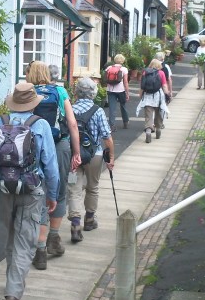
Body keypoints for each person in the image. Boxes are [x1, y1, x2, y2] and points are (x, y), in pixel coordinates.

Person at [0, 82, 59, 300]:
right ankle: (13, 293)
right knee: (25, 240)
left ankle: (13, 283)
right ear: (33, 103)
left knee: (12, 237)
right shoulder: (40, 125)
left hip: (3, 188)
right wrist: (53, 194)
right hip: (32, 189)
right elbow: (50, 163)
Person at [25, 61, 80, 271]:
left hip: (34, 147)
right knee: (59, 192)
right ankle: (54, 240)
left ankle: (39, 251)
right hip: (59, 145)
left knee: (39, 192)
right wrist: (76, 152)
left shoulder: (28, 92)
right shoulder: (59, 91)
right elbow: (72, 123)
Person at [67, 77, 114, 242]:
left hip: (74, 154)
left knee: (74, 188)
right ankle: (89, 219)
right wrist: (111, 158)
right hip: (94, 155)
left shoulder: (70, 109)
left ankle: (75, 223)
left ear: (77, 92)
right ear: (93, 92)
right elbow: (107, 137)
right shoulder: (98, 110)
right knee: (93, 187)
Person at [136, 59, 170, 143]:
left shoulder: (145, 73)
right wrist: (167, 94)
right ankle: (158, 129)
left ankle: (148, 130)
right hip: (158, 96)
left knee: (148, 115)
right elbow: (164, 86)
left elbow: (142, 86)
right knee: (158, 113)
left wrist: (140, 95)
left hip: (147, 96)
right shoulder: (161, 73)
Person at [104, 54, 130, 129]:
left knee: (112, 108)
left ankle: (111, 125)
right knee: (123, 106)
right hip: (121, 90)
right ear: (122, 60)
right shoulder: (124, 69)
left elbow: (106, 79)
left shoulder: (109, 68)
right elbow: (125, 82)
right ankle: (125, 122)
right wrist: (127, 93)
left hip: (110, 90)